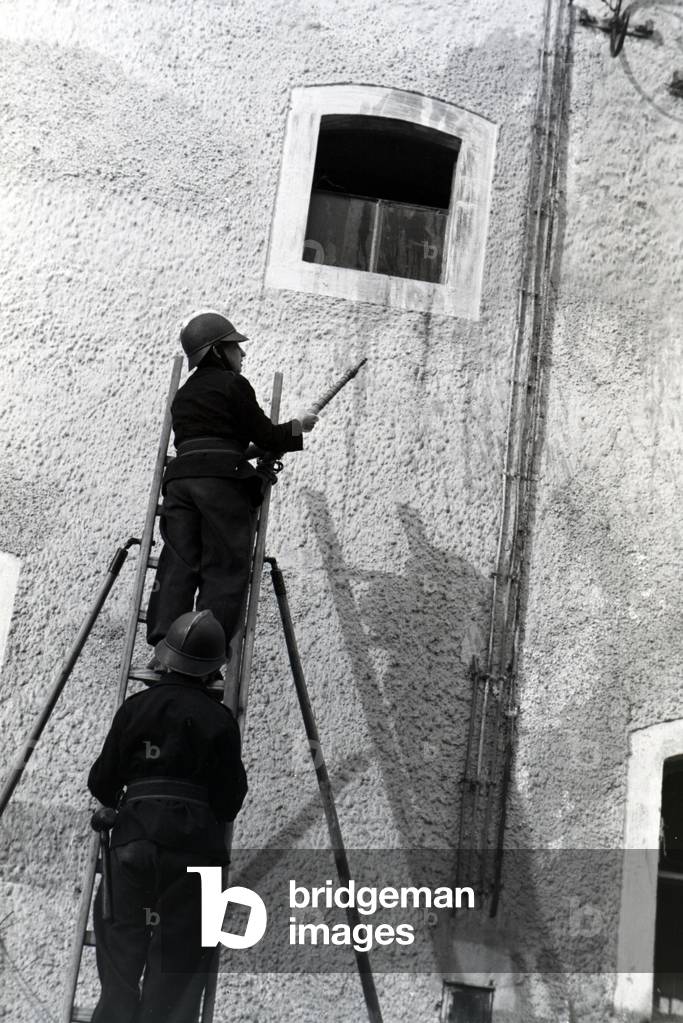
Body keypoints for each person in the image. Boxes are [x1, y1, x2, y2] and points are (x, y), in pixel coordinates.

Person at [87, 610, 247, 1023]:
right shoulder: (221, 721)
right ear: (211, 671)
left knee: (120, 958)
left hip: (133, 843)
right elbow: (230, 801)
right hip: (194, 853)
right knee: (178, 968)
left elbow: (102, 782)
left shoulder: (135, 708)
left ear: (165, 659)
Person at [145, 309, 318, 666]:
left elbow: (211, 443)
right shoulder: (233, 385)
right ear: (217, 351)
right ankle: (203, 655)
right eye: (236, 348)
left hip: (180, 483)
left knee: (178, 561)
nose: (243, 355)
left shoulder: (184, 395)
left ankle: (165, 647)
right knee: (224, 566)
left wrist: (248, 451)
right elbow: (267, 435)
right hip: (220, 488)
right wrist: (298, 427)